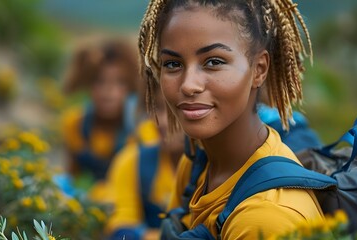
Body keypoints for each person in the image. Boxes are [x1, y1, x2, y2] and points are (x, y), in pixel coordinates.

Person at [138, 0, 323, 238]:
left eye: (214, 62)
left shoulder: (266, 218)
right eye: (173, 64)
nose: (188, 85)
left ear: (259, 69)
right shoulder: (198, 161)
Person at [61, 38, 138, 202]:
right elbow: (71, 176)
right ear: (88, 82)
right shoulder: (75, 124)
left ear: (131, 86)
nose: (108, 92)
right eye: (99, 81)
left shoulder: (138, 132)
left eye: (120, 82)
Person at [106, 86, 185, 240]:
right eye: (158, 108)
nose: (161, 122)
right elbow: (120, 227)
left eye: (174, 110)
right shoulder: (132, 161)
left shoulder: (216, 170)